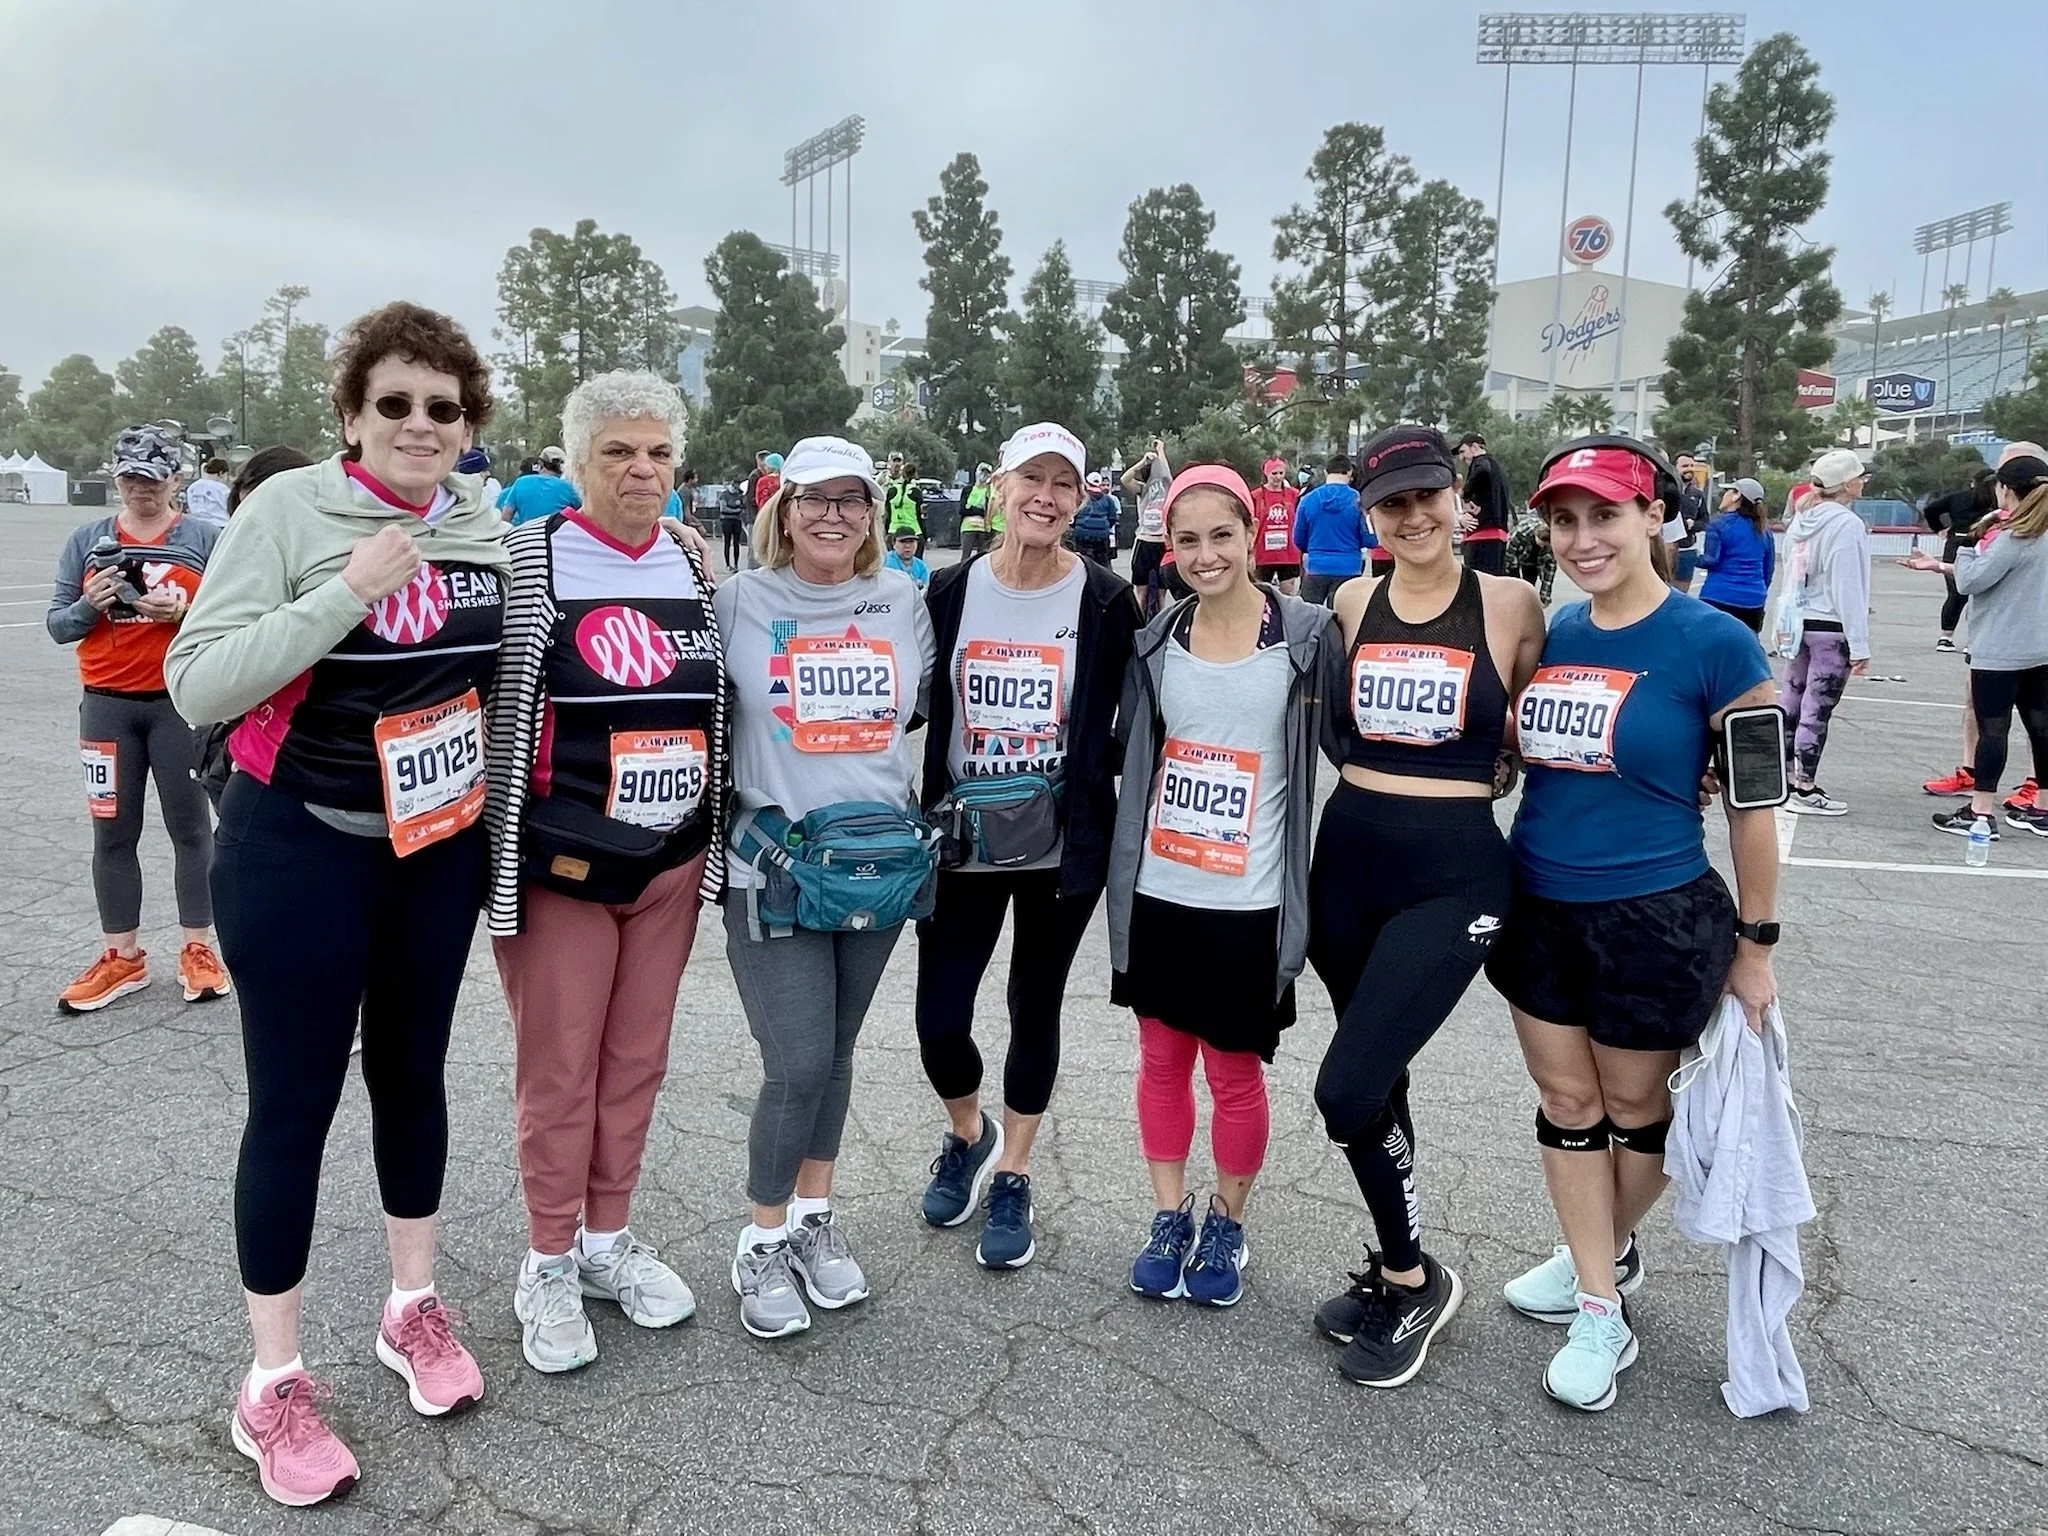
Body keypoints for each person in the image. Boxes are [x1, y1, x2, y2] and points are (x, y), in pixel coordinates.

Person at [165, 302, 509, 1505]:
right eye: (393, 403)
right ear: (352, 415)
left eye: (442, 407)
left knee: (413, 1078)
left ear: (467, 425)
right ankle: (272, 1383)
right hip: (297, 847)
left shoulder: (482, 521)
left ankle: (411, 1307)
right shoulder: (288, 511)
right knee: (295, 1107)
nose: (420, 424)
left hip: (432, 849)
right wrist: (345, 593)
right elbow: (197, 680)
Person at [1484, 434, 1780, 1414]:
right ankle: (1598, 1293)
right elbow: (1517, 757)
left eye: (1604, 515)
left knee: (1632, 1106)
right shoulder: (1557, 631)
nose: (1582, 539)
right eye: (1564, 521)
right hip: (1538, 906)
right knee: (1567, 1102)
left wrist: (1756, 945)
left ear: (1654, 515)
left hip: (1655, 918)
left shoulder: (1717, 643)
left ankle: (1599, 1260)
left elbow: (1754, 804)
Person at [481, 371, 728, 1376]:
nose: (641, 470)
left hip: (670, 860)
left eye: (658, 453)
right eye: (619, 451)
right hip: (564, 863)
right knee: (560, 1069)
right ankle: (546, 1259)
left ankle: (605, 1242)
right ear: (577, 461)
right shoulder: (527, 557)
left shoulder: (689, 560)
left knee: (635, 1062)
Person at [1305, 426, 1546, 1388]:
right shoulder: (1349, 601)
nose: (1413, 517)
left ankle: (1415, 1281)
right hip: (1347, 864)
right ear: (1370, 515)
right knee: (1381, 1080)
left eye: (1427, 497)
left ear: (1459, 499)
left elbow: (1555, 724)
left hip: (1454, 876)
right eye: (1392, 503)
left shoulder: (1512, 604)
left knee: (1346, 1090)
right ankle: (1398, 1262)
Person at [714, 436, 935, 1340]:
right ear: (784, 508)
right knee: (797, 1062)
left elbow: (919, 716)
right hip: (773, 869)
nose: (833, 515)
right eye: (815, 498)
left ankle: (813, 1219)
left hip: (875, 869)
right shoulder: (737, 599)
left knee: (836, 1053)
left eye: (852, 500)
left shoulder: (904, 600)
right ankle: (762, 1239)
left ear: (873, 514)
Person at [1107, 464, 1339, 1308]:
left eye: (1222, 536)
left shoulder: (1306, 636)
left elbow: (1355, 742)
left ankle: (1227, 1223)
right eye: (1188, 540)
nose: (1206, 555)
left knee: (1234, 1074)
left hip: (1250, 900)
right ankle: (1168, 1216)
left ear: (1251, 535)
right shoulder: (1156, 640)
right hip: (1162, 888)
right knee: (1161, 1063)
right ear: (1169, 547)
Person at [915, 422, 1141, 1268]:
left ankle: (1013, 1170)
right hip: (962, 845)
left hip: (1062, 848)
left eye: (1063, 484)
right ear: (999, 488)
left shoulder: (1107, 600)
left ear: (1080, 500)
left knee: (1032, 1005)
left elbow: (1137, 716)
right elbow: (903, 700)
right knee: (939, 1019)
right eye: (1031, 479)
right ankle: (967, 1133)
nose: (1045, 497)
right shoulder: (948, 590)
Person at [48, 423, 228, 1012]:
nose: (140, 490)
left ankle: (198, 947)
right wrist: (88, 606)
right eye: (129, 479)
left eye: (152, 479)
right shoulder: (87, 539)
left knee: (190, 828)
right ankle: (121, 956)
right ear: (115, 478)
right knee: (112, 831)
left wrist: (185, 612)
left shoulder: (204, 537)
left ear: (176, 479)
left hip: (179, 703)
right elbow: (57, 624)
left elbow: (237, 616)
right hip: (107, 705)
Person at [1902, 451, 2048, 840]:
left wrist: (1966, 543)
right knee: (2041, 728)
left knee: (1993, 730)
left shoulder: (2013, 537)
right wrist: (1941, 566)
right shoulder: (2041, 534)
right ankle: (2043, 807)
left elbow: (1971, 582)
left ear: (2006, 490)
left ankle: (1981, 811)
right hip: (2040, 646)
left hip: (2000, 649)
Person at [1773, 448, 1872, 816]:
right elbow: (1849, 585)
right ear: (1845, 484)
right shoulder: (1847, 524)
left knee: (1791, 702)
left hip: (1799, 622)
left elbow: (1791, 577)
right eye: (1859, 477)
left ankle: (1783, 779)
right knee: (1817, 709)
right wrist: (1859, 642)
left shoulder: (1802, 520)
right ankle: (1805, 785)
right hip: (1831, 627)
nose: (1863, 481)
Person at [1696, 476, 1777, 633]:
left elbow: (1710, 560)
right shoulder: (1764, 529)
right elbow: (1768, 568)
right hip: (1754, 600)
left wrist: (1692, 558)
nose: (1723, 494)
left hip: (1718, 595)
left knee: (1711, 643)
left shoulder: (1718, 524)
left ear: (1736, 496)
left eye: (1727, 491)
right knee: (1746, 643)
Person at [1293, 454, 1369, 607]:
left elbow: (1298, 539)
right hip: (1349, 568)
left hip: (1316, 567)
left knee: (1309, 616)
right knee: (1346, 616)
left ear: (1326, 472)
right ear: (1350, 473)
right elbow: (1370, 539)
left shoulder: (1308, 499)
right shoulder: (1359, 501)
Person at [1122, 438, 1173, 616]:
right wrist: (1144, 461)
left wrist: (1161, 451)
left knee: (1161, 592)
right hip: (1144, 541)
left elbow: (1166, 473)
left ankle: (1159, 623)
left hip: (1162, 543)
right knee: (1141, 592)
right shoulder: (1142, 489)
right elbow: (1125, 479)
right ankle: (1139, 622)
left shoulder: (1168, 487)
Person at [1454, 433, 1512, 575]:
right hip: (1495, 535)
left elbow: (1483, 470)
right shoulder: (1496, 469)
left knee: (1478, 581)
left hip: (1482, 535)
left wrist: (1464, 491)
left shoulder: (1481, 462)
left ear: (1474, 447)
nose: (1461, 458)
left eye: (1462, 451)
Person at [1250, 455, 1303, 593]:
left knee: (1287, 590)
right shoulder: (1256, 496)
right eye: (1274, 473)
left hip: (1288, 553)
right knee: (1260, 590)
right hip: (1263, 554)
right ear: (1266, 474)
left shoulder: (1294, 495)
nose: (1278, 477)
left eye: (1281, 473)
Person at [498, 445, 581, 526]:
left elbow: (505, 517)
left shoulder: (521, 482)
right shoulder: (568, 487)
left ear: (540, 463)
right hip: (557, 534)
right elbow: (582, 514)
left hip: (527, 534)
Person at [1667, 452, 1712, 589]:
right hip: (1665, 549)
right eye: (1685, 466)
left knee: (1681, 592)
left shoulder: (1697, 494)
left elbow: (1705, 520)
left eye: (1692, 466)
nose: (1689, 469)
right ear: (1674, 468)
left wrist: (1693, 525)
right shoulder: (1666, 491)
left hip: (1687, 550)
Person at [1072, 470, 1118, 567]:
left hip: (1082, 535)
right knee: (1102, 563)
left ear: (1086, 483)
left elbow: (1073, 516)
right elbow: (1113, 518)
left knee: (1083, 563)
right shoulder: (1108, 499)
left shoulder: (1080, 498)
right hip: (1102, 536)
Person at [885, 459, 925, 555]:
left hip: (893, 530)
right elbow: (920, 515)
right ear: (915, 474)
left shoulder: (892, 490)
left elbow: (888, 514)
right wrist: (924, 534)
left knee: (893, 562)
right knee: (915, 562)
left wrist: (887, 532)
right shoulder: (916, 491)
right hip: (914, 530)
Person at [186, 457, 233, 526]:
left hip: (196, 525)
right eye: (226, 475)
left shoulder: (192, 487)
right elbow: (231, 508)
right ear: (221, 473)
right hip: (219, 525)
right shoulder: (222, 489)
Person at [718, 477, 748, 571]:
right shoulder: (724, 494)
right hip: (726, 519)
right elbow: (723, 508)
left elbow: (743, 505)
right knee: (727, 542)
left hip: (736, 520)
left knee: (736, 543)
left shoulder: (739, 495)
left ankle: (736, 564)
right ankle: (727, 564)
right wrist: (736, 510)